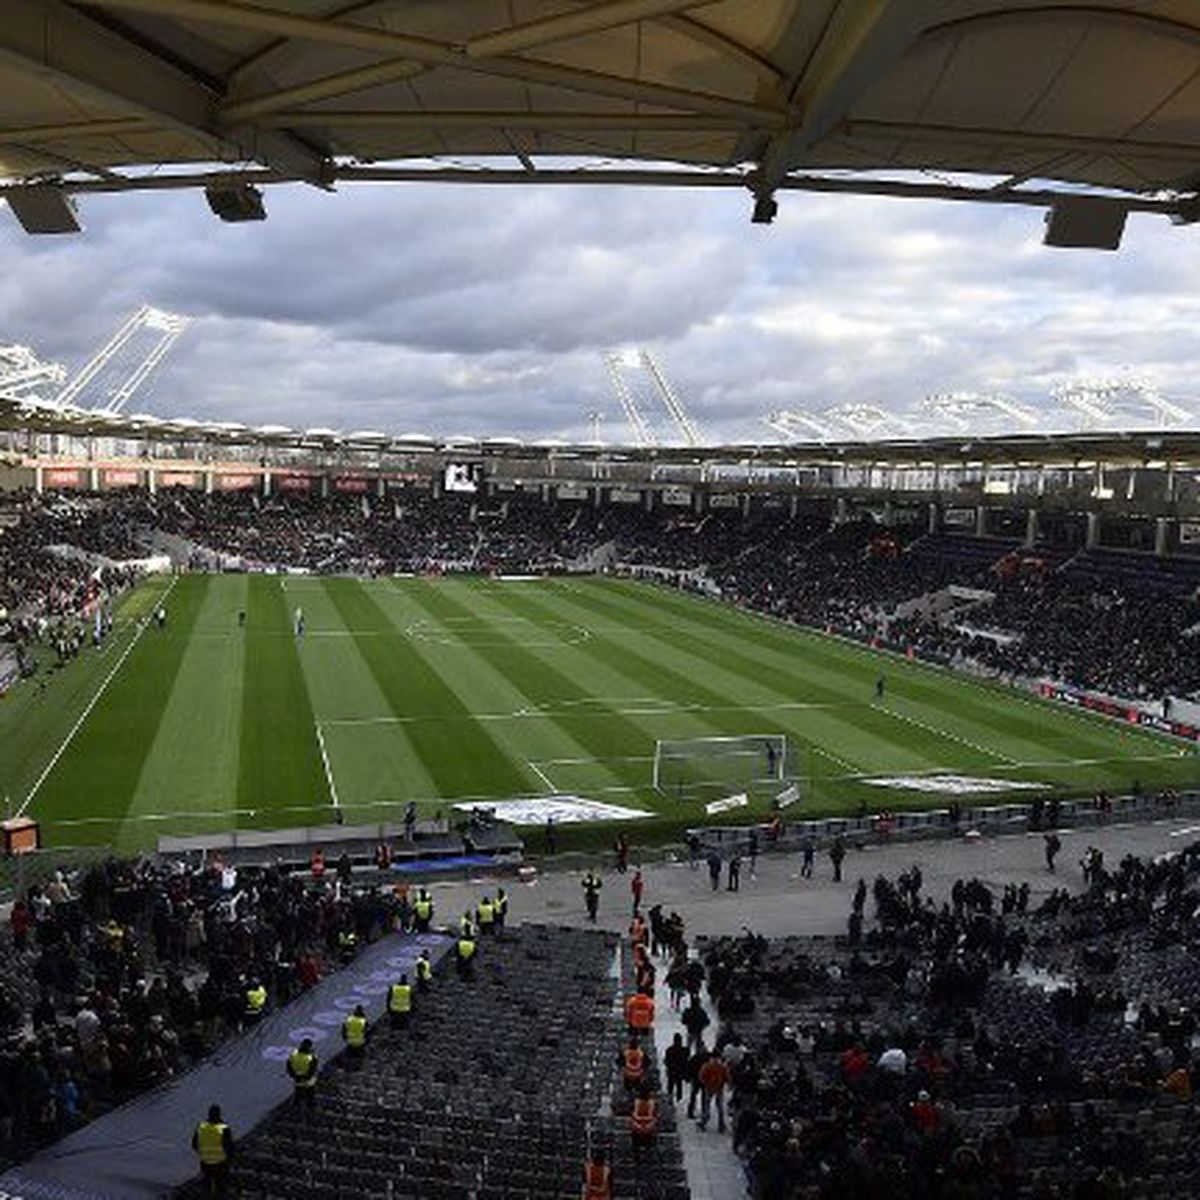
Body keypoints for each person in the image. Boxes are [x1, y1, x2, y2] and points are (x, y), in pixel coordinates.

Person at [192, 1103, 234, 1198]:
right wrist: (230, 1160)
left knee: (207, 1185)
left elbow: (194, 1144)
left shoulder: (201, 1127)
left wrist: (203, 1153)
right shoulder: (223, 1128)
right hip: (220, 1163)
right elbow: (229, 1147)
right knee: (220, 1187)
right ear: (219, 1115)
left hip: (205, 1162)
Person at [697, 1050, 730, 1133]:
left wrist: (706, 1083)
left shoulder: (707, 1065)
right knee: (720, 1107)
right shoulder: (722, 1066)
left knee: (707, 1105)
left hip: (709, 1087)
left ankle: (704, 1121)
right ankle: (721, 1124)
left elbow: (701, 1076)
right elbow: (727, 1077)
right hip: (719, 1087)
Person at [287, 1038, 319, 1109]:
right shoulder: (311, 1058)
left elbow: (289, 1067)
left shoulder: (293, 1055)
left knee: (298, 1096)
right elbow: (313, 1070)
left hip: (297, 1081)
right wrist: (306, 1077)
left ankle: (295, 1110)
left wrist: (294, 1075)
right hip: (309, 1082)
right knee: (310, 1098)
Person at [629, 1083, 658, 1151]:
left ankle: (648, 1146)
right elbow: (634, 1113)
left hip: (648, 1122)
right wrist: (640, 1120)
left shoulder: (651, 1103)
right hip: (638, 1121)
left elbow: (651, 1115)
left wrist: (643, 1120)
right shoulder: (637, 1102)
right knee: (636, 1128)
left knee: (648, 1129)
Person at [664, 1032, 688, 1102]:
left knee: (670, 1086)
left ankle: (670, 1099)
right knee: (679, 1085)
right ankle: (679, 1098)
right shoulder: (685, 1050)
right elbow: (686, 1062)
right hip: (680, 1071)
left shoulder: (669, 1050)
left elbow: (666, 1061)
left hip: (671, 1071)